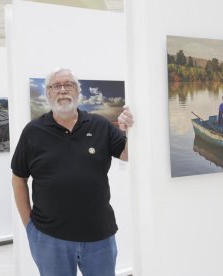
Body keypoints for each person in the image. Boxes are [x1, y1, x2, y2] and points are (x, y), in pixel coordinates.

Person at [11, 68, 133, 276]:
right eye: (55, 86)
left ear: (78, 92)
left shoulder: (100, 125)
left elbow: (128, 155)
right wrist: (29, 226)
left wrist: (132, 130)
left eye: (69, 85)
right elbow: (18, 178)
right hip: (49, 238)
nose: (62, 90)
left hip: (99, 236)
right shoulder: (33, 131)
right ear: (48, 93)